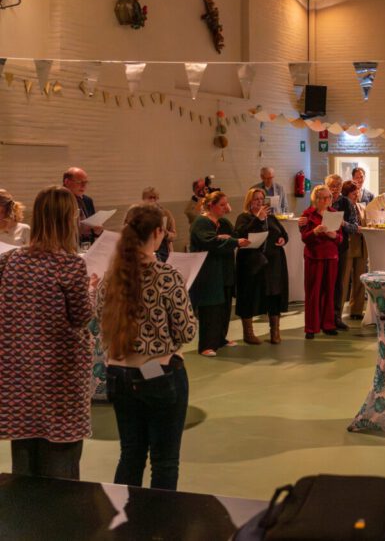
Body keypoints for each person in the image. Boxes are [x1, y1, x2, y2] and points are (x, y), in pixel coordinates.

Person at [97, 204, 197, 490]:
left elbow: (99, 320)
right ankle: (159, 516)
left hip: (118, 374)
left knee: (130, 455)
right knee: (164, 461)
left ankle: (124, 512)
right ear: (157, 233)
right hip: (157, 372)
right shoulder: (166, 276)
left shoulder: (109, 278)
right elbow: (187, 331)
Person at [0, 186, 95, 479]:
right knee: (61, 473)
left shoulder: (11, 261)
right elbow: (81, 318)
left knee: (25, 467)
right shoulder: (70, 265)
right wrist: (92, 291)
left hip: (20, 381)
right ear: (67, 219)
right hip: (59, 381)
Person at [189, 191, 249, 357]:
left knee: (224, 306)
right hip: (209, 272)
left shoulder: (223, 222)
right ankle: (206, 345)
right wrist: (231, 241)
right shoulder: (201, 222)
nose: (225, 207)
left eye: (226, 204)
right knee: (211, 307)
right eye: (222, 205)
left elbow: (234, 236)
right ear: (211, 205)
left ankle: (220, 338)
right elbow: (210, 241)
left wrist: (230, 239)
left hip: (224, 270)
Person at [234, 188, 290, 345]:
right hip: (252, 263)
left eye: (261, 199)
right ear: (249, 201)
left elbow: (284, 234)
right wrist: (257, 219)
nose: (259, 202)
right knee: (250, 295)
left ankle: (275, 332)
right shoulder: (244, 217)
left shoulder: (271, 217)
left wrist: (283, 240)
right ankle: (248, 333)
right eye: (256, 199)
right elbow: (240, 234)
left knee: (274, 295)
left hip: (273, 263)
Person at [300, 185, 345, 339]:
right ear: (316, 199)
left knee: (329, 292)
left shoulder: (334, 214)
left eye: (329, 197)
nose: (327, 200)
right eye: (324, 198)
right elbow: (304, 238)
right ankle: (311, 327)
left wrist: (334, 235)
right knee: (313, 292)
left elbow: (340, 239)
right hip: (314, 257)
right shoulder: (307, 215)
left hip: (331, 257)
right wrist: (315, 231)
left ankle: (328, 325)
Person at [326, 174, 359, 326]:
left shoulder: (346, 202)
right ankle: (323, 315)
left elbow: (354, 227)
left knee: (338, 282)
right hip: (323, 247)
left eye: (338, 186)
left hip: (341, 247)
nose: (335, 189)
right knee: (324, 281)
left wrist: (343, 224)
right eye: (332, 186)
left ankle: (336, 316)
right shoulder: (321, 200)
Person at [336, 181, 366, 325]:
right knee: (343, 280)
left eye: (357, 192)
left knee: (360, 279)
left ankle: (357, 310)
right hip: (347, 246)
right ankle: (338, 313)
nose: (356, 195)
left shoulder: (362, 206)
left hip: (361, 246)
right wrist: (354, 228)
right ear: (346, 194)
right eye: (353, 193)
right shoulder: (342, 206)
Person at [63, 166, 103, 241]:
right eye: (79, 182)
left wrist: (97, 232)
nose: (83, 186)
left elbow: (93, 230)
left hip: (86, 245)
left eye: (85, 182)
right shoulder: (57, 201)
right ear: (67, 182)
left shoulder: (87, 200)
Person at [140, 187, 176, 262]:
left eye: (155, 198)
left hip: (163, 252)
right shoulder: (138, 214)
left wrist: (166, 233)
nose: (153, 200)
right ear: (143, 199)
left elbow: (174, 235)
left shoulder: (166, 213)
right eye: (150, 197)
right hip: (145, 251)